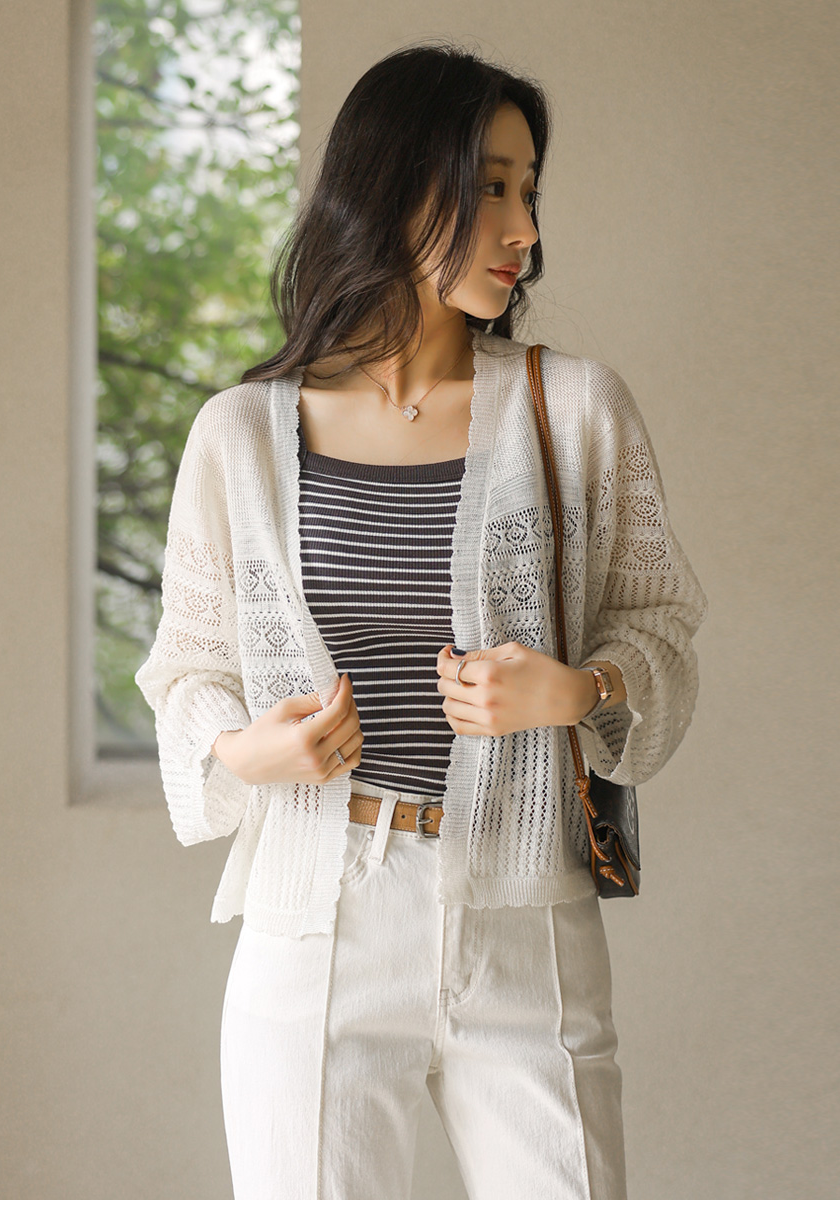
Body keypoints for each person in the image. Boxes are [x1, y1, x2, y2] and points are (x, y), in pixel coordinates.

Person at [135, 41, 707, 1201]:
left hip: (526, 914)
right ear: (397, 185)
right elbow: (187, 668)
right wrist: (248, 750)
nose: (522, 228)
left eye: (528, 190)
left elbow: (658, 629)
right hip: (317, 924)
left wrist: (577, 690)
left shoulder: (574, 410)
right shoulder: (241, 436)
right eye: (490, 186)